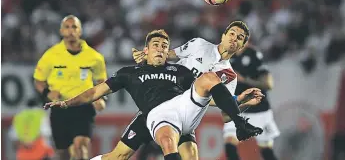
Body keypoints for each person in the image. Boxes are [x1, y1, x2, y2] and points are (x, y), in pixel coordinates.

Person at [44, 29, 263, 160]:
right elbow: (95, 91)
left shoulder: (180, 71)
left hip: (181, 111)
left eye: (164, 45)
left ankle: (241, 124)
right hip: (150, 115)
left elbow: (206, 97)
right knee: (117, 156)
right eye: (156, 44)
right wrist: (66, 104)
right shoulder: (129, 73)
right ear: (146, 50)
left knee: (190, 151)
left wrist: (238, 99)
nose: (160, 48)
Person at [131, 21, 262, 159]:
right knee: (137, 151)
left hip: (185, 113)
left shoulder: (230, 77)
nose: (234, 38)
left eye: (240, 38)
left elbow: (225, 114)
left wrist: (244, 102)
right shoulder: (199, 45)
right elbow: (168, 54)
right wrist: (147, 56)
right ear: (223, 36)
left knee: (190, 156)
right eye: (232, 33)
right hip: (163, 99)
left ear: (241, 46)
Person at [33, 15, 108, 160]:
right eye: (67, 27)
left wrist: (100, 98)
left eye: (74, 27)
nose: (70, 30)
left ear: (80, 31)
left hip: (83, 107)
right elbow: (38, 81)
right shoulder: (51, 55)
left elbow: (101, 82)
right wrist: (48, 93)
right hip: (60, 108)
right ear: (61, 31)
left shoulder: (95, 57)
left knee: (81, 147)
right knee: (63, 154)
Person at [222, 42, 280, 160]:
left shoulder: (254, 55)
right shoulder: (227, 55)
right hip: (239, 110)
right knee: (229, 145)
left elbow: (268, 84)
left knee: (266, 150)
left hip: (259, 110)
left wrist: (244, 80)